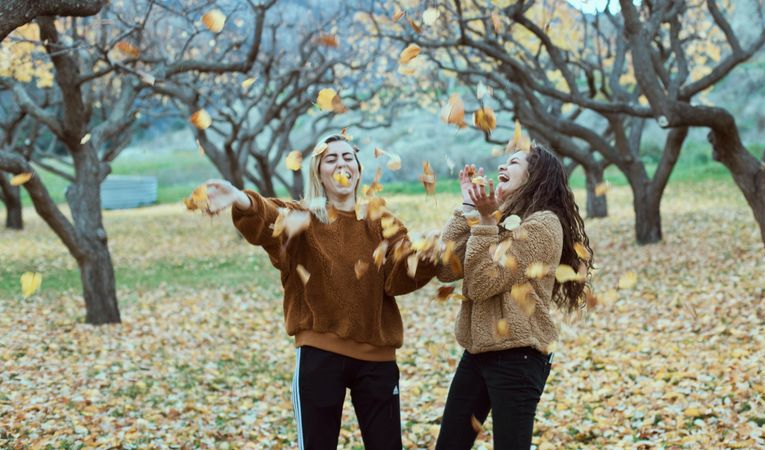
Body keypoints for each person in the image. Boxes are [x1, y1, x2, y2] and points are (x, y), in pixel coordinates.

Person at [204, 133, 437, 449]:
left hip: (377, 357)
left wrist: (428, 252)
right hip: (320, 355)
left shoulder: (380, 220)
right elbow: (268, 218)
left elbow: (399, 273)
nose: (341, 163)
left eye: (347, 158)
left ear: (357, 168)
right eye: (331, 158)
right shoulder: (304, 218)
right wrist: (240, 199)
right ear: (319, 173)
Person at [435, 142, 594, 449]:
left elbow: (482, 282)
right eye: (504, 162)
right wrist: (468, 209)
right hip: (478, 351)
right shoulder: (495, 218)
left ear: (536, 176)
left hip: (518, 356)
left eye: (514, 162)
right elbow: (444, 269)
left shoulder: (543, 225)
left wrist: (484, 224)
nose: (502, 168)